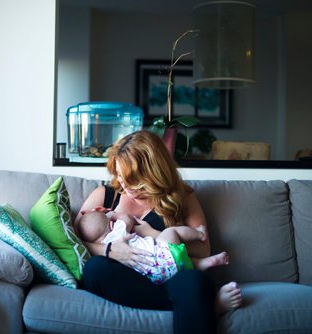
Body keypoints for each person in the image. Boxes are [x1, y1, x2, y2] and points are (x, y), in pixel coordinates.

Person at [74, 130, 242, 334]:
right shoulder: (104, 196)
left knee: (193, 281)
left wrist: (152, 233)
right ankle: (207, 306)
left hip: (170, 276)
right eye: (119, 174)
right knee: (94, 269)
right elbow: (73, 243)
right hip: (125, 278)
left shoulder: (183, 197)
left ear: (152, 172)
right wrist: (109, 251)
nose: (124, 183)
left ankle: (192, 301)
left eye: (131, 177)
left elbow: (203, 251)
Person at [78, 210, 229, 284]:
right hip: (164, 256)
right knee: (171, 232)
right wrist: (112, 214)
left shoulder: (101, 246)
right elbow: (127, 219)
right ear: (111, 224)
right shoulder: (118, 229)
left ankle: (204, 263)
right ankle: (199, 235)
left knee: (182, 264)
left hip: (153, 276)